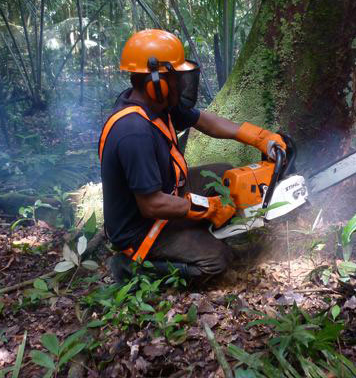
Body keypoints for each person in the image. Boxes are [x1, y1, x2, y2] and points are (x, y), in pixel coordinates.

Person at [99, 29, 286, 283]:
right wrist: (207, 208)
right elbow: (151, 205)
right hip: (141, 228)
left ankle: (194, 231)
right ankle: (133, 267)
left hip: (166, 194)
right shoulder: (133, 132)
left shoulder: (154, 104)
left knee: (223, 173)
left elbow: (205, 122)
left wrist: (258, 137)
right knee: (216, 261)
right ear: (157, 83)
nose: (181, 84)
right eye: (176, 77)